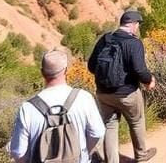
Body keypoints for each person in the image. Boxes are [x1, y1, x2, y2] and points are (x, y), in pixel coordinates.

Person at [9, 49, 105, 163]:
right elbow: (97, 132)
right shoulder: (84, 98)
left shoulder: (28, 108)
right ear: (66, 71)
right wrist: (84, 153)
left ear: (42, 72)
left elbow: (19, 152)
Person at [87, 9, 157, 163]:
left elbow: (91, 66)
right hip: (127, 94)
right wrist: (149, 80)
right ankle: (141, 155)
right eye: (138, 24)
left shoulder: (105, 39)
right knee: (137, 121)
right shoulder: (134, 43)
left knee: (110, 125)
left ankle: (111, 161)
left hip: (103, 94)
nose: (138, 27)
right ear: (132, 24)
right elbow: (139, 69)